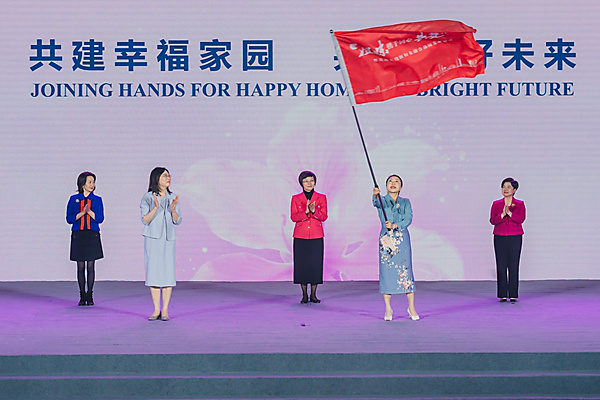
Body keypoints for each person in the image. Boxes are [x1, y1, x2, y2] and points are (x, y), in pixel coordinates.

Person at [373, 175, 419, 321]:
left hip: (402, 239)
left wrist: (395, 225)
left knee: (406, 272)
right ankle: (388, 308)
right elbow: (376, 202)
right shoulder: (382, 200)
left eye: (396, 181)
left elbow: (408, 218)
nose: (393, 183)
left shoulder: (405, 202)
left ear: (401, 186)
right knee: (386, 272)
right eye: (390, 181)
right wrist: (375, 195)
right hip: (386, 240)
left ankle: (411, 307)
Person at [140, 167, 181, 321]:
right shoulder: (148, 197)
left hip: (168, 239)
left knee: (168, 273)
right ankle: (156, 309)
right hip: (153, 239)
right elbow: (145, 220)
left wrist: (173, 210)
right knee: (154, 272)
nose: (168, 178)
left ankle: (165, 310)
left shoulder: (173, 197)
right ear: (156, 178)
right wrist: (156, 208)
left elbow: (177, 220)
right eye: (164, 176)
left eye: (168, 175)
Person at [66, 171, 104, 306]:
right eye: (90, 182)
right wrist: (82, 213)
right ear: (82, 184)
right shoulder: (73, 199)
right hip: (79, 235)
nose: (92, 185)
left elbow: (100, 218)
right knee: (80, 266)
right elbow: (69, 219)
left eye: (93, 182)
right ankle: (82, 295)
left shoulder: (97, 199)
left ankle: (90, 295)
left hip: (92, 234)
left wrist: (90, 212)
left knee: (91, 266)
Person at [290, 171, 328, 304]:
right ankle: (304, 295)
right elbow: (294, 217)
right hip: (300, 236)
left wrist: (314, 211)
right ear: (301, 183)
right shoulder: (296, 198)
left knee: (315, 265)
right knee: (302, 265)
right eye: (306, 181)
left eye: (311, 180)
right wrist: (305, 212)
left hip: (316, 236)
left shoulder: (321, 197)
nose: (309, 183)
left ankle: (314, 295)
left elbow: (324, 216)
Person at [490, 177, 526, 303]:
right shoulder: (496, 204)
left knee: (513, 265)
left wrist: (510, 213)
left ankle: (513, 294)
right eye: (503, 187)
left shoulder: (520, 204)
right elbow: (492, 220)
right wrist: (502, 215)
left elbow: (521, 219)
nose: (505, 189)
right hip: (499, 237)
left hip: (515, 237)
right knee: (501, 266)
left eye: (509, 187)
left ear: (514, 190)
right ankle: (502, 294)